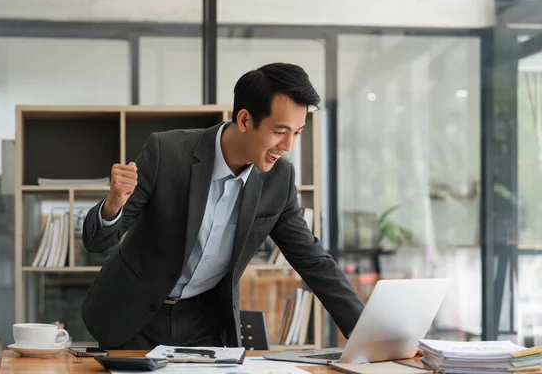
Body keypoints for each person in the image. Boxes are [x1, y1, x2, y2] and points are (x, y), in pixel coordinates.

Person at [81, 62, 364, 350]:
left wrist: (367, 334)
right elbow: (96, 242)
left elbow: (312, 259)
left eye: (298, 132)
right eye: (279, 132)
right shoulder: (166, 153)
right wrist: (113, 204)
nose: (288, 145)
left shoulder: (279, 178)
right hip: (133, 318)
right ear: (244, 120)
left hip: (205, 324)